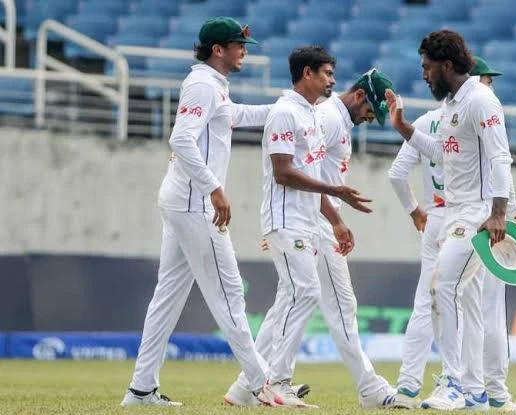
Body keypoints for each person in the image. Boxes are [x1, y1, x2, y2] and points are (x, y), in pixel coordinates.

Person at [121, 17, 280, 407]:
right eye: (238, 45)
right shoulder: (202, 85)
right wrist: (215, 189)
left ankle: (141, 389)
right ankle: (261, 385)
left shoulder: (214, 88)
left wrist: (286, 107)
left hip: (183, 201)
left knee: (168, 297)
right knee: (229, 295)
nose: (245, 50)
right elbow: (181, 138)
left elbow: (236, 116)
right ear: (217, 50)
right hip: (193, 203)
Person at [222, 46, 372, 408]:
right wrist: (334, 190)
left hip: (306, 221)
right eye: (326, 74)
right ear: (307, 73)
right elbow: (284, 172)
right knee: (305, 292)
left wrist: (335, 219)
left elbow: (311, 175)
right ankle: (277, 382)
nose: (332, 81)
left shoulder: (310, 115)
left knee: (292, 297)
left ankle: (248, 388)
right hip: (286, 219)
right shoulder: (285, 113)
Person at [250, 68, 399, 409]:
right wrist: (333, 222)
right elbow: (302, 172)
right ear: (360, 96)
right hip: (314, 223)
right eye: (368, 112)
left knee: (285, 304)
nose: (367, 119)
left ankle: (249, 382)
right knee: (341, 308)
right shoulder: (330, 118)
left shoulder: (334, 119)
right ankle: (370, 389)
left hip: (304, 220)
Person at [388, 56, 516, 412]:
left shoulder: (479, 100)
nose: (423, 74)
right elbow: (443, 155)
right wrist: (403, 128)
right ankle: (480, 391)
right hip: (452, 215)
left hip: (477, 217)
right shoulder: (451, 107)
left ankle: (456, 384)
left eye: (427, 66)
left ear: (446, 65)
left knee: (441, 288)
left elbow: (501, 158)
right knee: (472, 307)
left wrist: (500, 213)